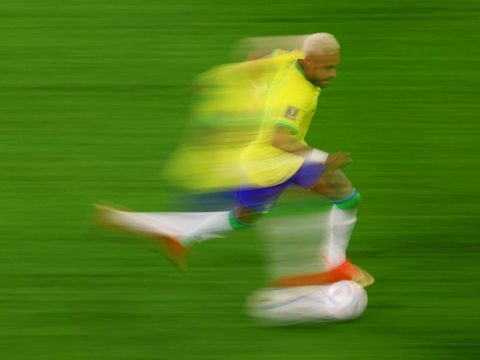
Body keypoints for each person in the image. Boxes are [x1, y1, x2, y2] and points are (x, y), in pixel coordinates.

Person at [96, 33, 374, 287]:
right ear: (310, 61)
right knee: (344, 195)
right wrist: (324, 158)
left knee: (244, 217)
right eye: (326, 67)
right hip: (275, 162)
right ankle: (334, 263)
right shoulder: (296, 95)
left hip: (265, 160)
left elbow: (254, 50)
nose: (332, 74)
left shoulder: (292, 59)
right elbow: (280, 139)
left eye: (335, 66)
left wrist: (242, 72)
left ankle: (176, 233)